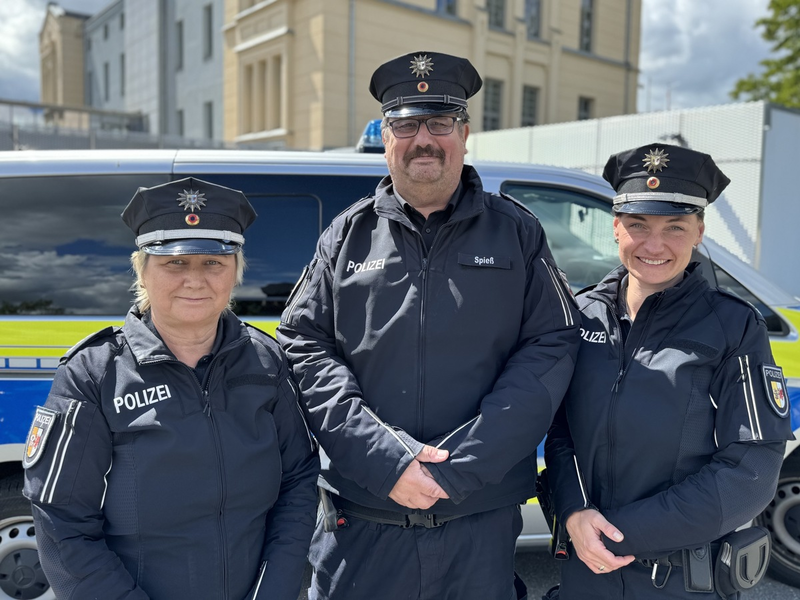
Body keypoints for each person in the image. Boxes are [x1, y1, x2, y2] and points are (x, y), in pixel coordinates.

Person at [276, 50, 580, 600]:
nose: (424, 139)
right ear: (386, 138)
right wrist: (386, 459)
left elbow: (551, 345)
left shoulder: (517, 232)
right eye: (406, 124)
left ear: (465, 134)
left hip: (479, 522)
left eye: (439, 123)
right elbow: (303, 344)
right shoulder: (345, 238)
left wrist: (462, 466)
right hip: (363, 518)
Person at [22, 178, 319, 600]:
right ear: (142, 270)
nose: (195, 279)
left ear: (236, 272)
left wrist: (275, 587)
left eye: (214, 262)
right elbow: (61, 522)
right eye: (175, 263)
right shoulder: (94, 373)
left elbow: (298, 482)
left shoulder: (267, 363)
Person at [543, 144, 794, 599]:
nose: (654, 245)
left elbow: (751, 471)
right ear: (616, 228)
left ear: (699, 231)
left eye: (674, 227)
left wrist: (617, 532)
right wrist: (574, 511)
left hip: (678, 580)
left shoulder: (733, 325)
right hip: (586, 571)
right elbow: (561, 434)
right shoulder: (581, 317)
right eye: (638, 225)